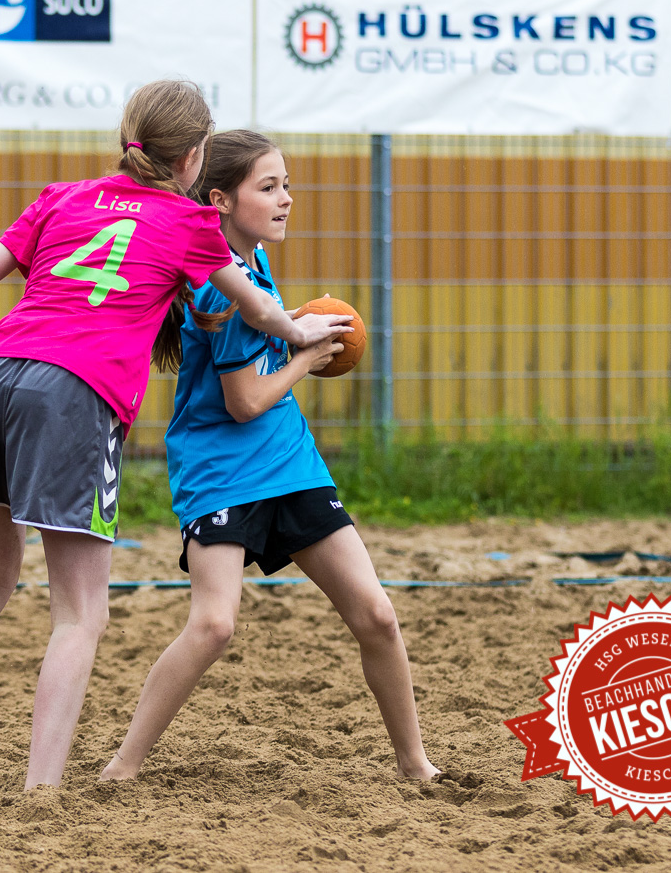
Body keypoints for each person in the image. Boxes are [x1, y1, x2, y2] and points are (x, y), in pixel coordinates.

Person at [0, 83, 353, 789]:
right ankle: (40, 790)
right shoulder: (187, 221)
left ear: (128, 136)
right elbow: (255, 304)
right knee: (80, 612)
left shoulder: (60, 196)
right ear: (196, 156)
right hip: (72, 393)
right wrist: (300, 333)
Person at [99, 129, 440, 783]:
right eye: (270, 186)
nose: (287, 198)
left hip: (291, 464)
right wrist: (309, 355)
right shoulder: (222, 288)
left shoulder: (249, 262)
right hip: (220, 471)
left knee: (376, 614)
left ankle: (416, 765)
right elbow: (245, 402)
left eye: (287, 184)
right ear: (221, 199)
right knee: (214, 624)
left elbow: (263, 375)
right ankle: (122, 766)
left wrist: (298, 328)